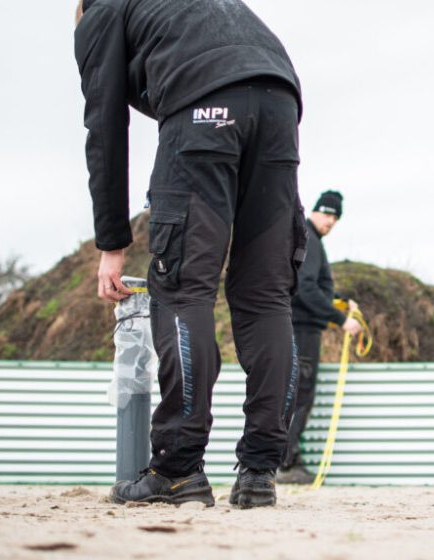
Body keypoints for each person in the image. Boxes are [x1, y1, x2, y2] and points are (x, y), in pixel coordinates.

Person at [74, 0, 306, 509]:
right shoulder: (197, 10)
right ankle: (260, 473)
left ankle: (179, 469)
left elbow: (105, 128)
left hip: (205, 108)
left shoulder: (101, 11)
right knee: (266, 296)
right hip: (279, 101)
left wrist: (112, 243)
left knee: (182, 288)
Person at [278, 190, 363, 484]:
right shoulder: (310, 239)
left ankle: (285, 459)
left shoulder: (308, 238)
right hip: (303, 329)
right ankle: (287, 463)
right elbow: (305, 288)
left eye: (335, 218)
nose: (331, 222)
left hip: (300, 326)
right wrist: (341, 320)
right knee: (300, 395)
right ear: (316, 211)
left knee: (296, 393)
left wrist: (339, 299)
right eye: (327, 215)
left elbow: (311, 285)